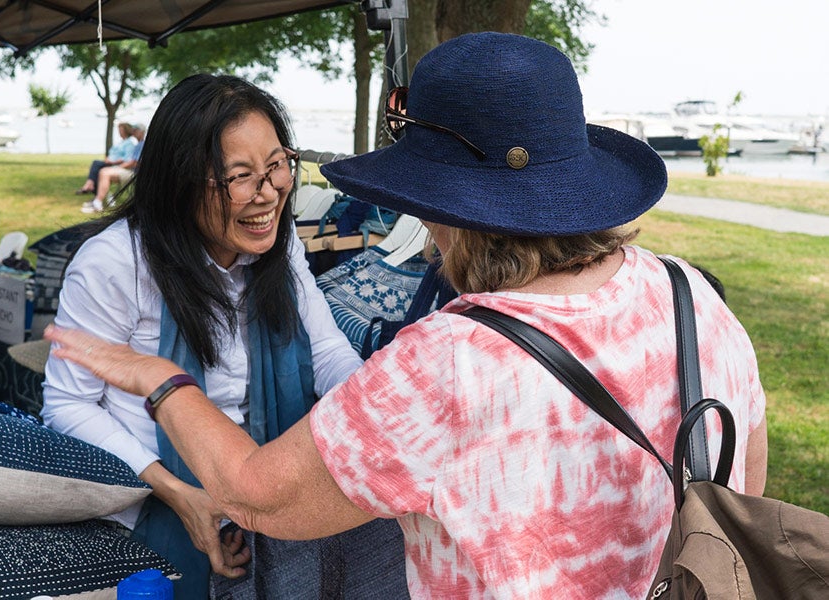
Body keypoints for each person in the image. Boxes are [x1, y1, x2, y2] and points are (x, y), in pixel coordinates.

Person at [45, 33, 768, 599]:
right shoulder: (689, 293)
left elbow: (258, 495)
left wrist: (160, 379)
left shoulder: (448, 361)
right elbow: (743, 485)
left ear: (451, 213)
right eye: (239, 176)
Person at [42, 74, 407, 598]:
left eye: (277, 166)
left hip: (266, 492)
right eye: (241, 177)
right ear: (180, 183)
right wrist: (178, 493)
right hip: (152, 505)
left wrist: (373, 415)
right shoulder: (115, 263)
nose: (270, 193)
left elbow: (328, 351)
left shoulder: (278, 242)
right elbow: (68, 405)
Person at [80, 124, 146, 214]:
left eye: (136, 130)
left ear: (142, 132)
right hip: (131, 171)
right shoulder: (138, 144)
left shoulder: (141, 144)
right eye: (133, 130)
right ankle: (99, 200)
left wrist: (117, 167)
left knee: (104, 172)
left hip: (134, 174)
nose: (133, 132)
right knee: (102, 170)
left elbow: (134, 163)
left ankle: (97, 203)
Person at [74, 122, 138, 196]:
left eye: (121, 130)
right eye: (119, 130)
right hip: (110, 162)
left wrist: (112, 162)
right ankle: (92, 187)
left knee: (97, 164)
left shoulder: (129, 143)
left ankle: (90, 186)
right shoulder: (121, 142)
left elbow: (127, 158)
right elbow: (113, 153)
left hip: (116, 164)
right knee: (97, 166)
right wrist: (108, 158)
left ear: (126, 131)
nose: (119, 132)